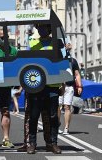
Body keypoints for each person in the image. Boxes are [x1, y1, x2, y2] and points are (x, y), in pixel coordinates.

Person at [26, 24, 61, 154]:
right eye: (39, 28)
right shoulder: (32, 42)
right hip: (36, 84)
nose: (41, 30)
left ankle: (53, 143)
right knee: (34, 116)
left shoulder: (57, 42)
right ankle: (32, 144)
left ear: (49, 29)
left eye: (44, 28)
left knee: (53, 117)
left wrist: (62, 83)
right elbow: (27, 61)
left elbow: (63, 60)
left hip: (52, 85)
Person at [58, 57, 82, 135]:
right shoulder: (57, 58)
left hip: (69, 86)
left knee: (67, 107)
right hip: (59, 86)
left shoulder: (72, 61)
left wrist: (79, 86)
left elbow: (77, 74)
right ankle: (57, 125)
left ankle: (66, 128)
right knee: (57, 106)